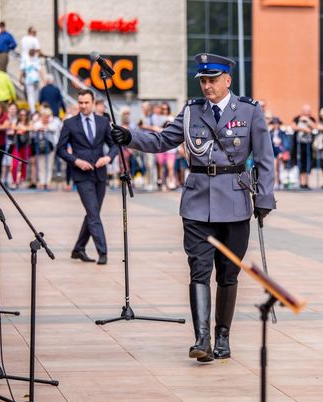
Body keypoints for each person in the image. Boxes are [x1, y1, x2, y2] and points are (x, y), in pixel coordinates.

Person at [111, 53, 275, 363]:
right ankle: (202, 339)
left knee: (228, 273)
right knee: (199, 271)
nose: (207, 86)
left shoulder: (249, 111)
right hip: (197, 203)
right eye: (203, 81)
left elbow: (265, 159)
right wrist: (130, 137)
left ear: (227, 80)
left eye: (212, 80)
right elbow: (162, 141)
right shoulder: (191, 111)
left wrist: (264, 199)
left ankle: (222, 337)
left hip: (235, 203)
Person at [56, 89, 118, 265]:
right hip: (82, 175)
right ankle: (102, 252)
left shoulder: (103, 122)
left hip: (100, 174)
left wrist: (108, 158)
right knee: (93, 213)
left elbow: (114, 145)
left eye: (86, 102)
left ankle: (78, 249)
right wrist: (76, 161)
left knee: (93, 213)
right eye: (80, 103)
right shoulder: (69, 123)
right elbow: (60, 149)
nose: (83, 106)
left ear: (93, 103)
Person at [291, 104, 316, 189]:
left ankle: (306, 183)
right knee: (300, 163)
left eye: (309, 111)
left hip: (308, 145)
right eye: (306, 110)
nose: (307, 112)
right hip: (299, 145)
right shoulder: (297, 118)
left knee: (308, 163)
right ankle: (301, 182)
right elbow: (293, 127)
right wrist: (303, 129)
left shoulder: (311, 119)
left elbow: (315, 127)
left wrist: (307, 120)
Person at [20, 48, 43, 113]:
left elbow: (22, 70)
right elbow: (40, 71)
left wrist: (20, 78)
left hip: (29, 80)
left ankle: (33, 110)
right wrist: (43, 80)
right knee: (36, 95)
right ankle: (35, 108)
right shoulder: (36, 60)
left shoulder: (26, 60)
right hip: (36, 79)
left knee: (30, 96)